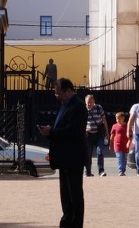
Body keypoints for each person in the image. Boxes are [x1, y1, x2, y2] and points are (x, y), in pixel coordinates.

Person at [39, 77, 88, 228]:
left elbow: (72, 130)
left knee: (74, 195)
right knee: (66, 195)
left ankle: (74, 223)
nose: (56, 96)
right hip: (65, 157)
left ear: (68, 91)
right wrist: (51, 130)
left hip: (73, 157)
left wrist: (51, 132)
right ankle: (67, 221)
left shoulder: (78, 106)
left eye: (58, 93)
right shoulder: (66, 105)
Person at [84, 94, 108, 176]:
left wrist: (107, 133)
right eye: (88, 102)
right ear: (85, 102)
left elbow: (104, 120)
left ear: (94, 101)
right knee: (88, 154)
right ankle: (88, 172)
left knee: (100, 152)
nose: (89, 104)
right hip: (88, 135)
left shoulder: (98, 108)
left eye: (91, 102)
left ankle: (101, 171)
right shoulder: (83, 110)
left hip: (98, 134)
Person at [109, 111, 130, 176]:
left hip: (125, 144)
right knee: (119, 157)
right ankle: (120, 170)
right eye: (116, 118)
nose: (117, 120)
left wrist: (129, 142)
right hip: (117, 144)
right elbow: (112, 136)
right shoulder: (114, 126)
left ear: (123, 118)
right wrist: (110, 144)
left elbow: (130, 135)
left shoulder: (127, 126)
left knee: (124, 158)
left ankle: (123, 170)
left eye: (119, 118)